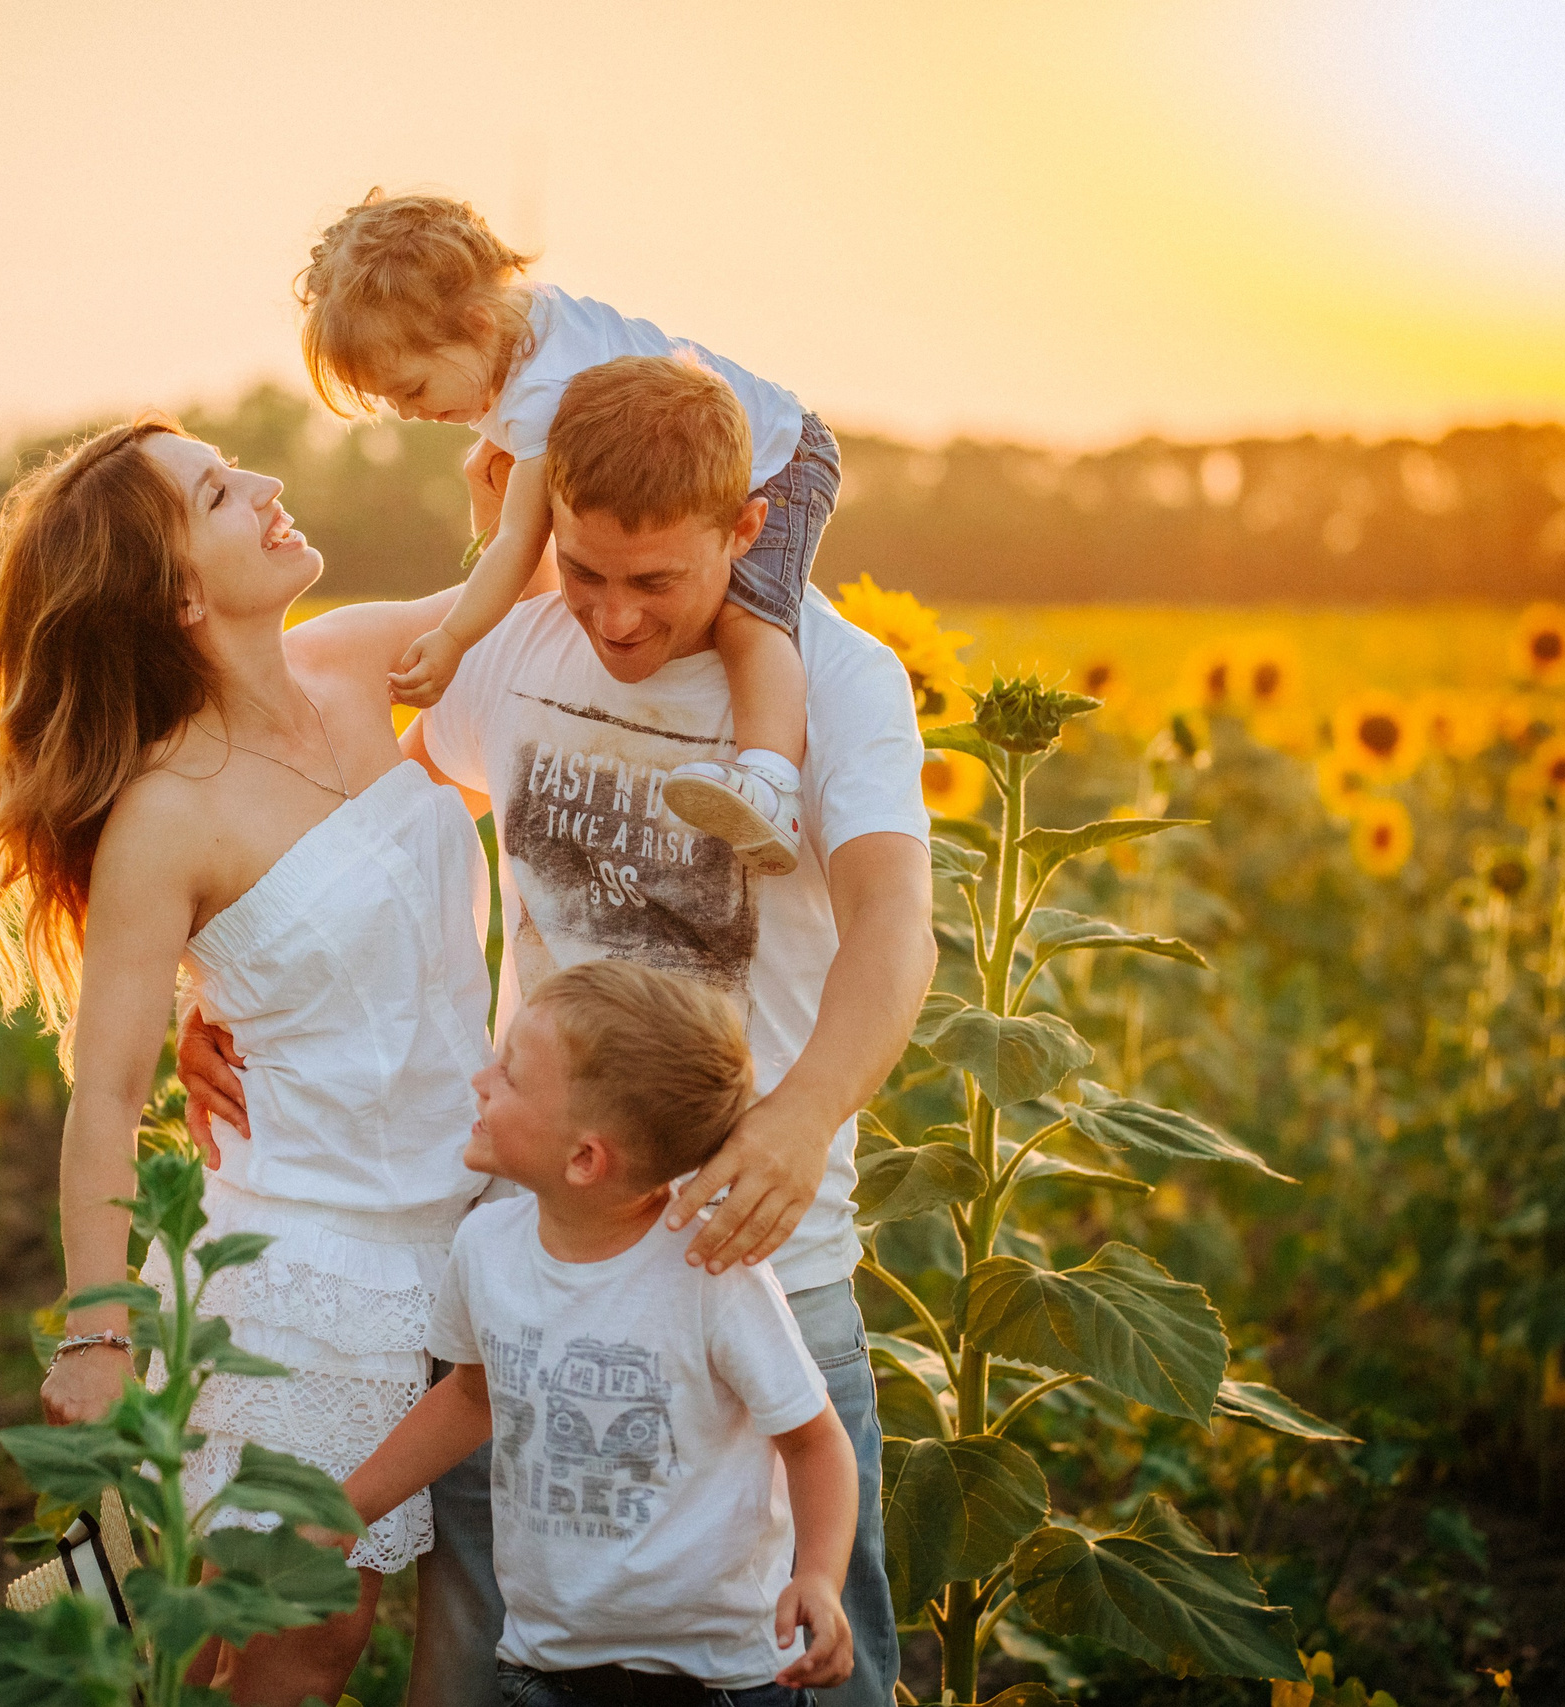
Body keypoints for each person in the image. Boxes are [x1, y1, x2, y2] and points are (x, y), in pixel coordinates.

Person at [182, 355, 937, 1706]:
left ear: (747, 528)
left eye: (655, 581)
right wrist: (221, 990)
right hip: (531, 1254)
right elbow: (349, 831)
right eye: (584, 569)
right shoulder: (518, 652)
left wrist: (802, 1117)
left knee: (809, 1659)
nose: (615, 617)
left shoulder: (838, 680)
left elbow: (894, 931)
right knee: (490, 1651)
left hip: (757, 1243)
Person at [0, 416, 519, 1706]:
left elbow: (525, 592)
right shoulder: (167, 815)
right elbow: (106, 1096)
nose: (264, 485)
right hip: (304, 1271)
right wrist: (97, 1334)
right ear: (180, 594)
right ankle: (48, 1646)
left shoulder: (352, 660)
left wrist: (515, 484)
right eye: (216, 493)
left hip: (462, 1231)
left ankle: (70, 1634)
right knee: (294, 1637)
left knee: (216, 1617)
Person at [343, 959, 859, 1706]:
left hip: (721, 1679)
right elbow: (471, 1399)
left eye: (510, 1075)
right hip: (548, 1668)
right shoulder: (486, 1248)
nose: (480, 1081)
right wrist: (345, 1507)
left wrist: (818, 1575)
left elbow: (813, 1441)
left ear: (584, 1158)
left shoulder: (712, 1274)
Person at [296, 189, 839, 876]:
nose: (406, 412)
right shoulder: (518, 330)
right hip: (701, 454)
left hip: (782, 457)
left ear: (476, 325)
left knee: (748, 617)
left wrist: (454, 639)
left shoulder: (539, 394)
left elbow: (519, 542)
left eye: (412, 389)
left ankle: (770, 783)